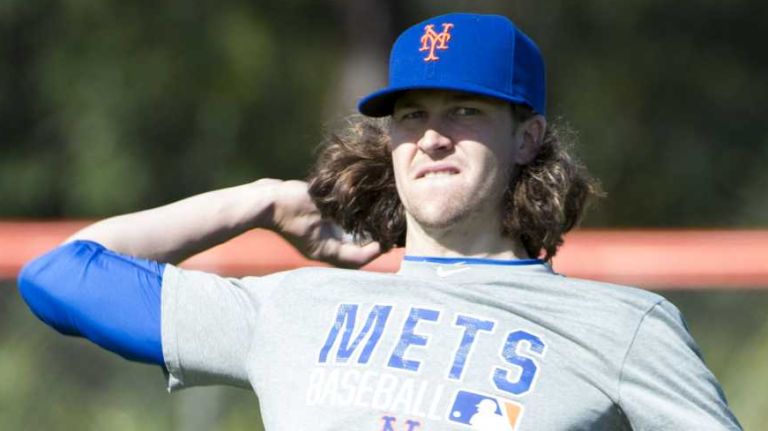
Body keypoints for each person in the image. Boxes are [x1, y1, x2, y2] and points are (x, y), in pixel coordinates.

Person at [17, 12, 741, 430]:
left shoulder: (623, 328)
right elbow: (61, 277)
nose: (431, 137)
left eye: (465, 110)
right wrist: (263, 202)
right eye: (410, 116)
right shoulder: (293, 308)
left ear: (526, 136)